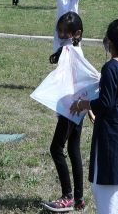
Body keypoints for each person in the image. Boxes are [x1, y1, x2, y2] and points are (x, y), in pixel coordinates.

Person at [70, 19, 118, 214]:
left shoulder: (111, 68)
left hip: (111, 136)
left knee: (106, 188)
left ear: (110, 41)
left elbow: (106, 103)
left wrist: (83, 104)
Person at [43, 12, 86, 212]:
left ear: (77, 33)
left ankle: (68, 196)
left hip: (71, 108)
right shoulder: (72, 50)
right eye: (59, 31)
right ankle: (78, 198)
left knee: (56, 149)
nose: (61, 35)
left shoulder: (71, 52)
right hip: (76, 107)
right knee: (73, 149)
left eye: (65, 32)